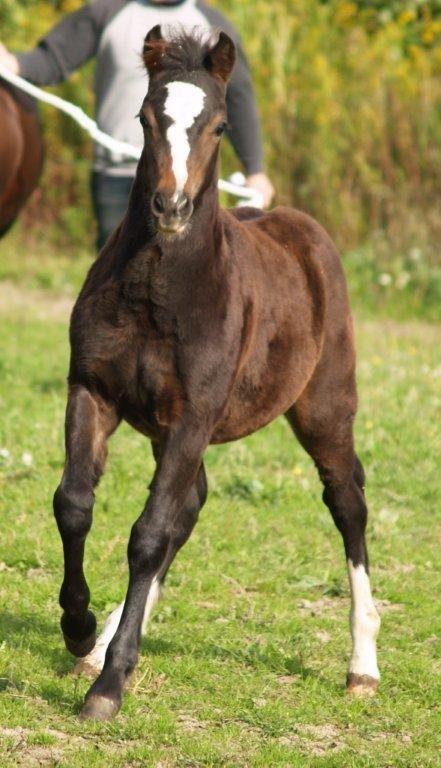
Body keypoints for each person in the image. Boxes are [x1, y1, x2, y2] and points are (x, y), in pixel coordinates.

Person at [0, 0, 274, 249]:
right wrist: (13, 62)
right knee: (117, 285)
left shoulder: (213, 26)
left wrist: (255, 169)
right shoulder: (106, 12)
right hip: (117, 178)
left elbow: (238, 99)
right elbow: (52, 59)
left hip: (187, 183)